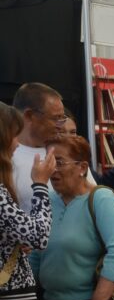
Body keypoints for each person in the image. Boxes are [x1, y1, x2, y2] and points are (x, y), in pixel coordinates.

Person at [29, 135, 114, 300]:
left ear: (82, 167)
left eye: (59, 162)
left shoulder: (101, 199)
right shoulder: (46, 200)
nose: (52, 169)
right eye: (49, 162)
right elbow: (36, 254)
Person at [0, 102, 55, 300]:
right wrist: (40, 184)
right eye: (14, 136)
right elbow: (39, 236)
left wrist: (13, 241)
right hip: (9, 297)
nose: (16, 145)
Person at [11, 83, 66, 212]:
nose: (61, 126)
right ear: (30, 116)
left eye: (62, 118)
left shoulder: (66, 150)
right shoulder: (6, 156)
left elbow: (90, 197)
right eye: (55, 118)